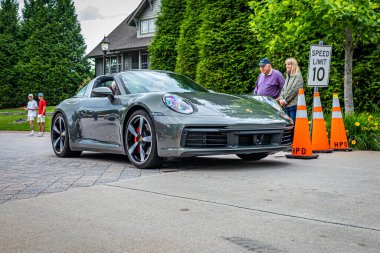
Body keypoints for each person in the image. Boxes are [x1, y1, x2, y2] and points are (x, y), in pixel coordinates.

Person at [276, 58, 304, 123]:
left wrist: (285, 100)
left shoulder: (298, 76)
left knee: (293, 124)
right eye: (286, 64)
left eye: (289, 64)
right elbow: (284, 88)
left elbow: (294, 90)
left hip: (293, 105)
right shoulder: (288, 75)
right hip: (286, 104)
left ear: (294, 65)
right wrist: (281, 98)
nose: (287, 66)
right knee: (288, 124)